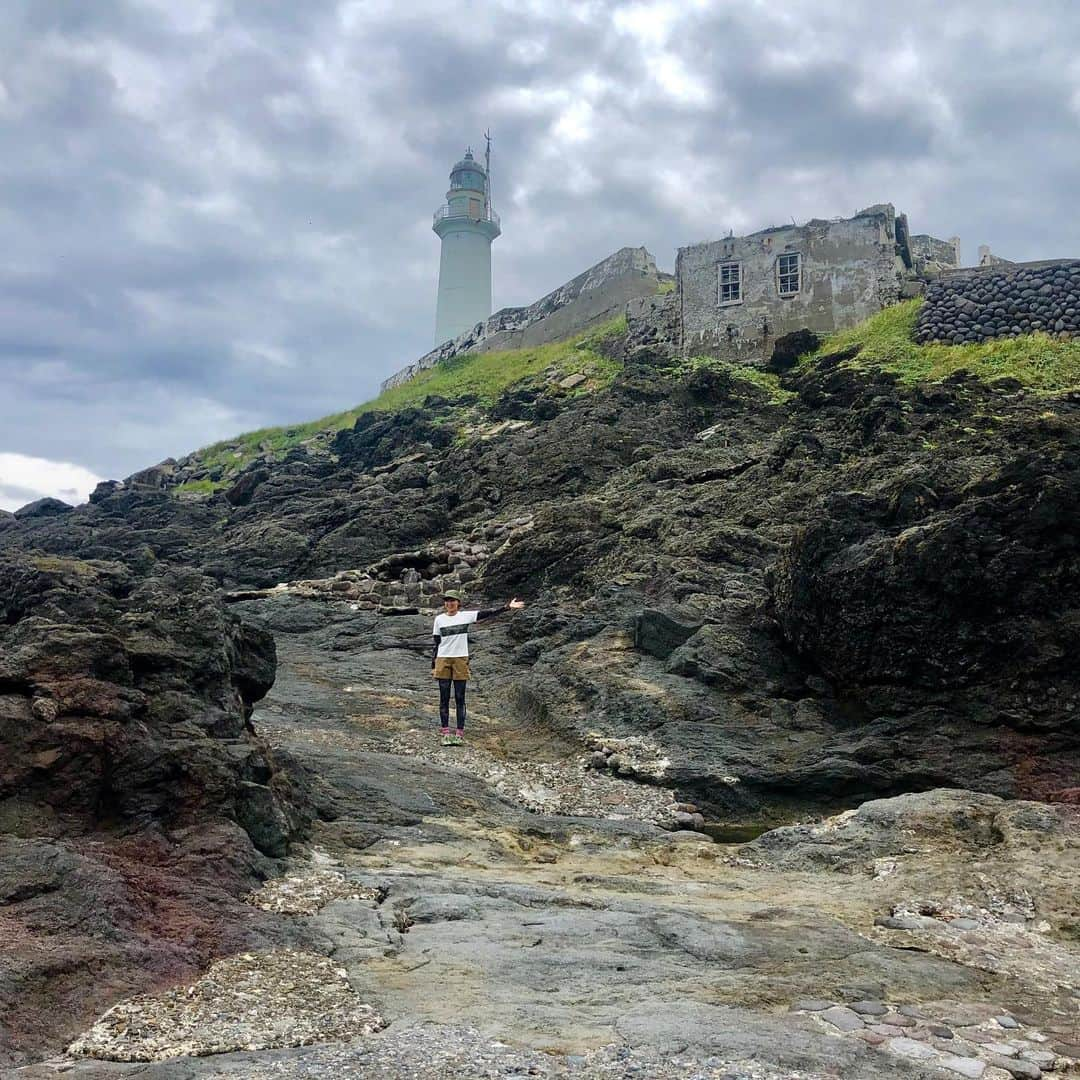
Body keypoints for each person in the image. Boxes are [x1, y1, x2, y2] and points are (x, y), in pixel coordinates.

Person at [432, 589, 524, 746]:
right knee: (444, 697)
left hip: (460, 659)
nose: (450, 603)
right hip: (443, 659)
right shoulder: (439, 619)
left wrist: (506, 607)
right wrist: (433, 664)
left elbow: (487, 613)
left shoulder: (465, 616)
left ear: (458, 602)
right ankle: (446, 732)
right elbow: (436, 642)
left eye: (453, 600)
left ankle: (459, 733)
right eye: (447, 600)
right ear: (444, 603)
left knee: (460, 698)